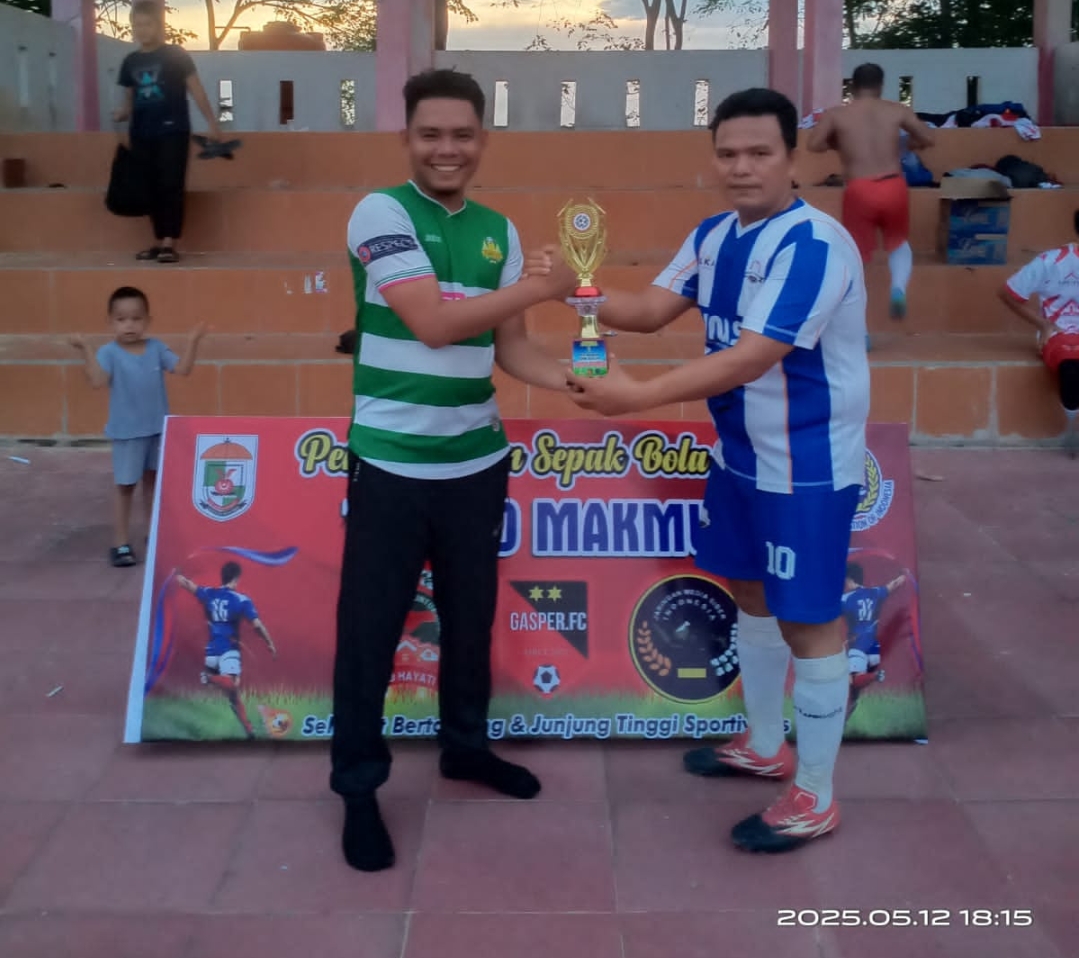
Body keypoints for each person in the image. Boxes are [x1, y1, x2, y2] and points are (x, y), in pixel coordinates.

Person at [561, 87, 869, 853]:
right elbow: (647, 309)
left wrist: (634, 396)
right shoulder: (713, 235)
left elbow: (749, 356)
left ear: (791, 157)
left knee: (808, 617)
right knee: (749, 591)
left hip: (805, 468)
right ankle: (764, 744)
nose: (740, 166)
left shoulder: (815, 245)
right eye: (727, 152)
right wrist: (571, 283)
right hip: (738, 456)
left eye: (759, 152)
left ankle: (815, 794)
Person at [331, 67, 572, 872]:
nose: (447, 148)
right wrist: (538, 286)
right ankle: (357, 787)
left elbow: (513, 351)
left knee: (469, 622)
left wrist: (581, 380)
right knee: (370, 632)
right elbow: (433, 323)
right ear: (406, 138)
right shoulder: (381, 212)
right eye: (430, 134)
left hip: (476, 462)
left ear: (482, 140)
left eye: (462, 134)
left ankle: (465, 747)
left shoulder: (498, 229)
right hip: (391, 464)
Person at [69, 286, 206, 566]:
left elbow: (182, 369)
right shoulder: (109, 353)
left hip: (157, 430)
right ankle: (120, 543)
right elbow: (97, 381)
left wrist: (193, 342)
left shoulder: (156, 348)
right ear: (110, 322)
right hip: (127, 433)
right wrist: (86, 349)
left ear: (148, 320)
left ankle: (154, 533)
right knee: (125, 486)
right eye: (121, 319)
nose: (129, 325)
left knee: (153, 483)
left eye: (136, 318)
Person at [805, 62, 936, 320]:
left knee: (856, 255)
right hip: (894, 185)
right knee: (898, 241)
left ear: (852, 87)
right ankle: (898, 288)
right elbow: (928, 138)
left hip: (860, 189)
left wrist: (838, 144)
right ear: (881, 86)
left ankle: (860, 327)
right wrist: (909, 144)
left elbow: (814, 144)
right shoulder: (896, 110)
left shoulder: (837, 114)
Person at [114, 0, 222, 264]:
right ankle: (158, 239)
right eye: (137, 25)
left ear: (159, 25)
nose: (142, 30)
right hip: (141, 133)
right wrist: (123, 113)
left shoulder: (176, 56)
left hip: (173, 131)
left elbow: (196, 89)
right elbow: (129, 97)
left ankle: (169, 242)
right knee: (149, 186)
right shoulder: (130, 61)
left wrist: (212, 123)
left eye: (147, 24)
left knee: (170, 184)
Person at [999, 209, 1079, 456]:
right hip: (1059, 333)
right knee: (1072, 369)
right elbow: (1007, 293)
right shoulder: (1050, 261)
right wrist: (1042, 325)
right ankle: (1073, 430)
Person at [174, 561, 277, 739]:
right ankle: (208, 678)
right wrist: (269, 643)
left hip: (212, 650)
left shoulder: (209, 594)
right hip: (229, 649)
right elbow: (257, 626)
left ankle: (249, 731)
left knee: (232, 695)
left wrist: (175, 575)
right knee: (233, 683)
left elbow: (186, 584)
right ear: (236, 578)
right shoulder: (241, 600)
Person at [842, 562, 907, 679]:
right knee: (860, 680)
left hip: (858, 647)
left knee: (853, 680)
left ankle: (875, 676)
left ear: (849, 579)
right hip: (874, 648)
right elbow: (893, 585)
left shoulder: (846, 599)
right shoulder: (875, 592)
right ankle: (872, 676)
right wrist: (903, 575)